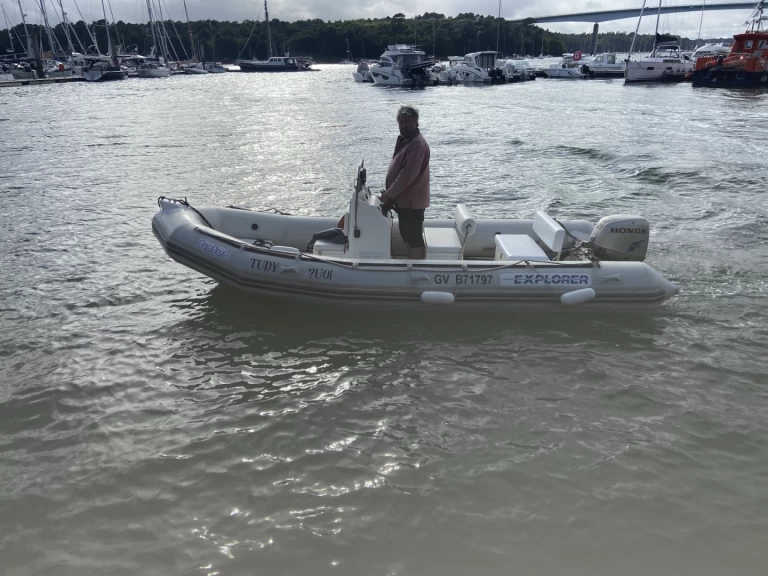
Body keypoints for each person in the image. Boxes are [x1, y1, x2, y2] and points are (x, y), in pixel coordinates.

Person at [380, 105, 431, 259]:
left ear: (416, 123)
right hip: (404, 201)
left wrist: (389, 195)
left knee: (413, 237)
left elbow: (406, 176)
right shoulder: (406, 141)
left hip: (412, 202)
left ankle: (417, 270)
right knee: (406, 235)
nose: (404, 125)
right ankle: (412, 263)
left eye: (408, 122)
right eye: (401, 122)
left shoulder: (417, 145)